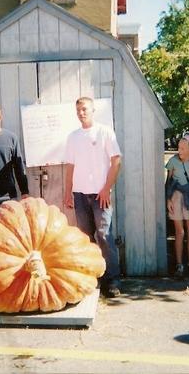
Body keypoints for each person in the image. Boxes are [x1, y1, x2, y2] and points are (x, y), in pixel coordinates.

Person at [64, 97, 122, 297]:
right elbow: (70, 166)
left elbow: (116, 162)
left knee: (104, 235)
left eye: (85, 109)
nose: (81, 113)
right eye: (78, 110)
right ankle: (90, 278)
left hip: (100, 195)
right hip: (80, 194)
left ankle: (112, 280)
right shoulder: (73, 137)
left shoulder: (105, 132)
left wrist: (106, 188)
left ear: (93, 110)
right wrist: (68, 192)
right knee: (85, 238)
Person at [165, 135, 189, 279]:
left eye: (182, 148)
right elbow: (168, 181)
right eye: (178, 148)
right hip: (175, 197)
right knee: (179, 232)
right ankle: (179, 264)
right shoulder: (173, 161)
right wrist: (168, 199)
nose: (179, 151)